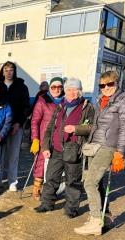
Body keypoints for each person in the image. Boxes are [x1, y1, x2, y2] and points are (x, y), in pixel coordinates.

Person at [75, 71, 125, 236]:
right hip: (96, 145)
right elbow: (96, 126)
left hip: (108, 146)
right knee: (98, 184)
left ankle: (95, 221)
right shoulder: (101, 101)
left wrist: (120, 153)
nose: (106, 88)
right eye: (102, 85)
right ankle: (105, 216)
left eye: (110, 84)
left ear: (117, 83)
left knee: (89, 183)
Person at [34, 77, 95, 218]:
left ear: (80, 91)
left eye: (75, 89)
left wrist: (76, 128)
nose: (72, 92)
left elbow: (92, 128)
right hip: (56, 149)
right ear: (65, 91)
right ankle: (46, 204)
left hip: (74, 150)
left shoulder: (87, 107)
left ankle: (71, 209)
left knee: (72, 181)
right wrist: (45, 146)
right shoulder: (61, 106)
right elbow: (50, 128)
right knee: (50, 178)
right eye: (69, 89)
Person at [0, 61, 30, 191]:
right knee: (0, 154)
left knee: (14, 154)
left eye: (11, 70)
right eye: (6, 69)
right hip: (0, 127)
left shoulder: (21, 87)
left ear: (14, 71)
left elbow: (26, 107)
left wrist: (19, 123)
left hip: (16, 126)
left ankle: (12, 181)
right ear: (2, 71)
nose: (8, 72)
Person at [29, 77, 64, 200]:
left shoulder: (65, 101)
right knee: (41, 163)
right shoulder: (42, 100)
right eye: (53, 87)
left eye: (59, 87)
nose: (56, 90)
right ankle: (36, 189)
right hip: (44, 138)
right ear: (49, 88)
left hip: (59, 139)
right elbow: (35, 121)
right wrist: (35, 139)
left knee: (55, 166)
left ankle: (50, 190)